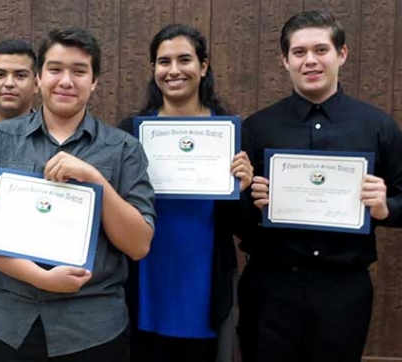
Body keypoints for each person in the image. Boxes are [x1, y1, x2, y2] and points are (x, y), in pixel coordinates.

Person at [0, 26, 156, 361]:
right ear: (38, 78)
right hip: (8, 325)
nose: (66, 81)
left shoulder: (123, 149)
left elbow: (139, 245)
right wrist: (42, 278)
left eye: (79, 71)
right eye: (55, 69)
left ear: (94, 82)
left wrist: (96, 179)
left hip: (93, 329)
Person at [239, 10, 402, 362]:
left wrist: (386, 208)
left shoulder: (377, 126)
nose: (310, 61)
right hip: (271, 288)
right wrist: (248, 200)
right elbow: (232, 219)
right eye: (299, 52)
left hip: (344, 291)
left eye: (321, 50)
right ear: (284, 60)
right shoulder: (257, 127)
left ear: (341, 55)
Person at [116, 24, 252, 362]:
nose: (174, 70)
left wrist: (245, 189)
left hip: (204, 277)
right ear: (154, 69)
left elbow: (245, 226)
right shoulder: (130, 132)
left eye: (184, 60)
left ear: (203, 67)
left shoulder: (230, 133)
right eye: (164, 62)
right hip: (146, 273)